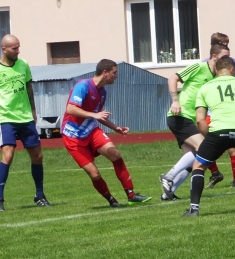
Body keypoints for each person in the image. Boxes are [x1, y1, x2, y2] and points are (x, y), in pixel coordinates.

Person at [62, 59, 152, 207]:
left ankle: (131, 194)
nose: (116, 76)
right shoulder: (83, 86)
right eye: (114, 73)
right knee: (95, 174)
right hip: (73, 137)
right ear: (105, 73)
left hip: (91, 131)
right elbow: (71, 109)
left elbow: (98, 115)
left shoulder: (102, 91)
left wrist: (115, 127)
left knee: (115, 155)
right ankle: (111, 200)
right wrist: (94, 115)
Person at [182, 56, 235, 217]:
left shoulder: (205, 88)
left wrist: (209, 136)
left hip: (218, 132)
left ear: (216, 71)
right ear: (232, 70)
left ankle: (194, 209)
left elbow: (200, 119)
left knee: (198, 167)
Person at [160, 44, 230, 200]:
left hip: (191, 119)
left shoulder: (216, 77)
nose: (227, 60)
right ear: (214, 56)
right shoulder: (198, 67)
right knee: (202, 147)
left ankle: (168, 194)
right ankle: (169, 176)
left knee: (194, 160)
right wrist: (175, 101)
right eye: (224, 56)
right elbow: (173, 78)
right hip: (179, 115)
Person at [0, 34, 51, 212]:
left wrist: (33, 111)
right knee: (8, 155)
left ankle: (39, 195)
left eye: (18, 47)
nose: (18, 51)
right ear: (4, 49)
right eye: (14, 48)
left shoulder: (24, 65)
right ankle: (0, 199)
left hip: (26, 118)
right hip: (6, 118)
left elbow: (29, 87)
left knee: (37, 156)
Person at [204, 32, 235, 188]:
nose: (227, 47)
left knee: (232, 145)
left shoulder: (234, 63)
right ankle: (215, 173)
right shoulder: (204, 65)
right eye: (224, 44)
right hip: (211, 112)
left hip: (229, 110)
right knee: (204, 145)